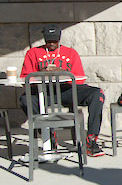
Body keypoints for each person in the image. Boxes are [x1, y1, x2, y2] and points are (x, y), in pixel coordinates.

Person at [20, 24, 106, 157]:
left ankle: (91, 139)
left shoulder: (70, 53)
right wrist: (41, 73)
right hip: (44, 92)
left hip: (66, 90)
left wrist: (62, 73)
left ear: (59, 39)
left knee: (97, 94)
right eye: (48, 41)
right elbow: (25, 79)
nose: (51, 44)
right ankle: (49, 137)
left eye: (54, 41)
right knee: (25, 100)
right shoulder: (33, 53)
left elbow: (79, 79)